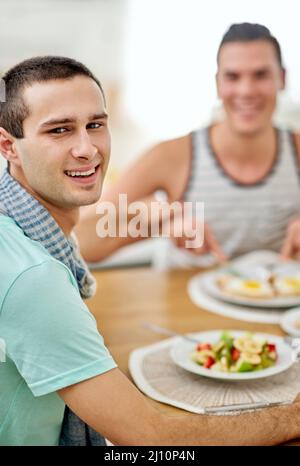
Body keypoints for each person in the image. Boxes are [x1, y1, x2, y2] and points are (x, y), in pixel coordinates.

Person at [1, 56, 300, 447]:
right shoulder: (34, 279)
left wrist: (155, 219)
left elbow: (83, 239)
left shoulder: (23, 225)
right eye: (59, 130)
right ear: (9, 146)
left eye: (95, 125)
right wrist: (292, 417)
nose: (87, 149)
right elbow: (152, 439)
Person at [75, 23, 300, 268]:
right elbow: (81, 239)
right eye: (232, 77)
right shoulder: (171, 156)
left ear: (282, 79)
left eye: (260, 75)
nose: (246, 90)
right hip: (186, 304)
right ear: (217, 84)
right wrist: (160, 219)